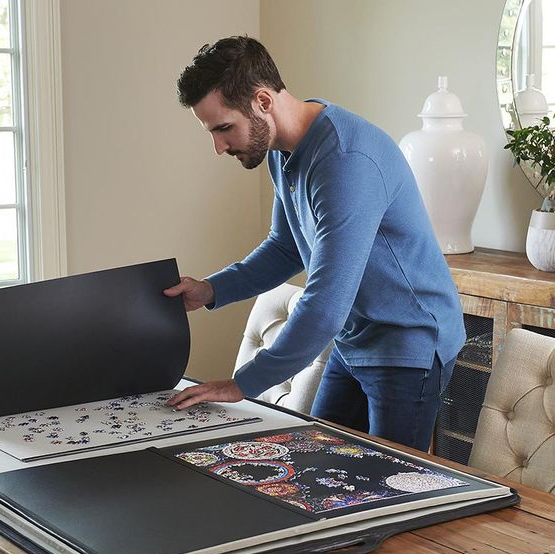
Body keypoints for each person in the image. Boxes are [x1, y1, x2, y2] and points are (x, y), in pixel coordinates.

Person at [164, 35, 465, 452]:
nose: (218, 147)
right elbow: (286, 247)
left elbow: (324, 304)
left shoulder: (345, 161)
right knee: (317, 464)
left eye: (223, 128)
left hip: (407, 341)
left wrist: (242, 384)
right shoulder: (281, 150)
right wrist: (212, 290)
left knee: (388, 495)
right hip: (355, 336)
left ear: (263, 102)